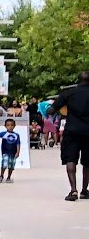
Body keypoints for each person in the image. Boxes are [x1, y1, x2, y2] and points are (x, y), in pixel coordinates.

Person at [50, 70, 89, 200]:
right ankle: (85, 190)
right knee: (87, 162)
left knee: (70, 160)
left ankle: (73, 190)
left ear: (78, 80)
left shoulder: (69, 93)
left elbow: (51, 110)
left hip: (72, 131)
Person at [0, 117, 23, 184]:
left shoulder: (16, 135)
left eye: (12, 125)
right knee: (4, 163)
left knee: (11, 165)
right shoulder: (3, 134)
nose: (10, 127)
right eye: (8, 125)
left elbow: (18, 144)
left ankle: (9, 177)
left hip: (13, 153)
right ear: (5, 126)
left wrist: (18, 152)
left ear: (14, 126)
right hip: (5, 152)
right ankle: (1, 175)